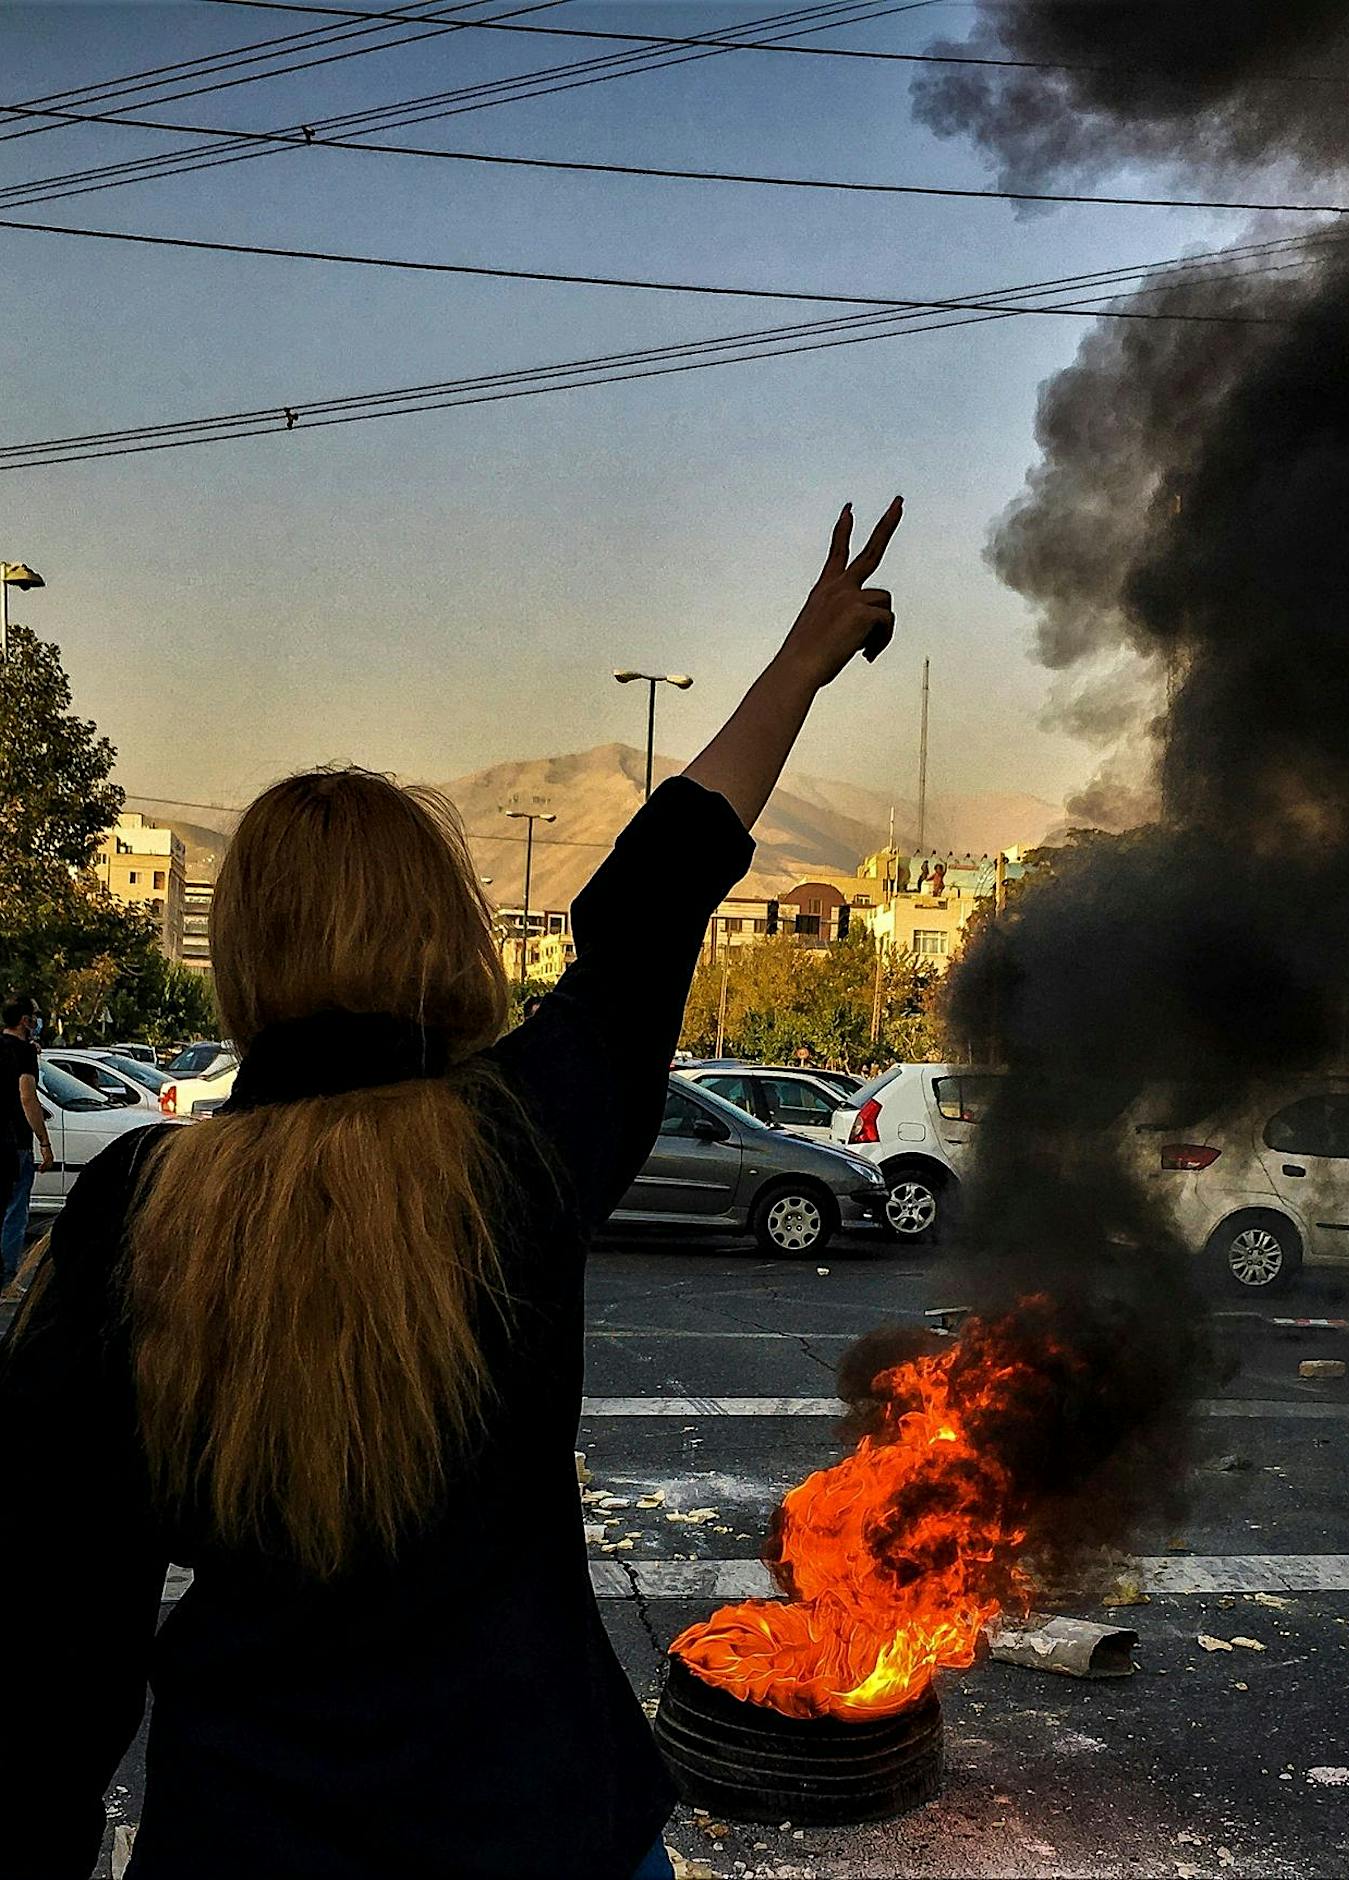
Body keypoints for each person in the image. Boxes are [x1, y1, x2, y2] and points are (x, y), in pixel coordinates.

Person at [0, 497, 901, 1880]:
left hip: (250, 1836)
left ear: (243, 953)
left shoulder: (138, 1204)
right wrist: (798, 663)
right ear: (441, 930)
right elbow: (656, 895)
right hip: (544, 1825)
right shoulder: (519, 1139)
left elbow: (55, 1641)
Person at [0, 994, 56, 1288]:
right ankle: (7, 1281)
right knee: (15, 1212)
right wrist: (44, 1141)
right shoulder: (24, 1054)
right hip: (14, 1143)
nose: (37, 1020)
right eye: (35, 1015)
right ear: (25, 1020)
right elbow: (27, 1097)